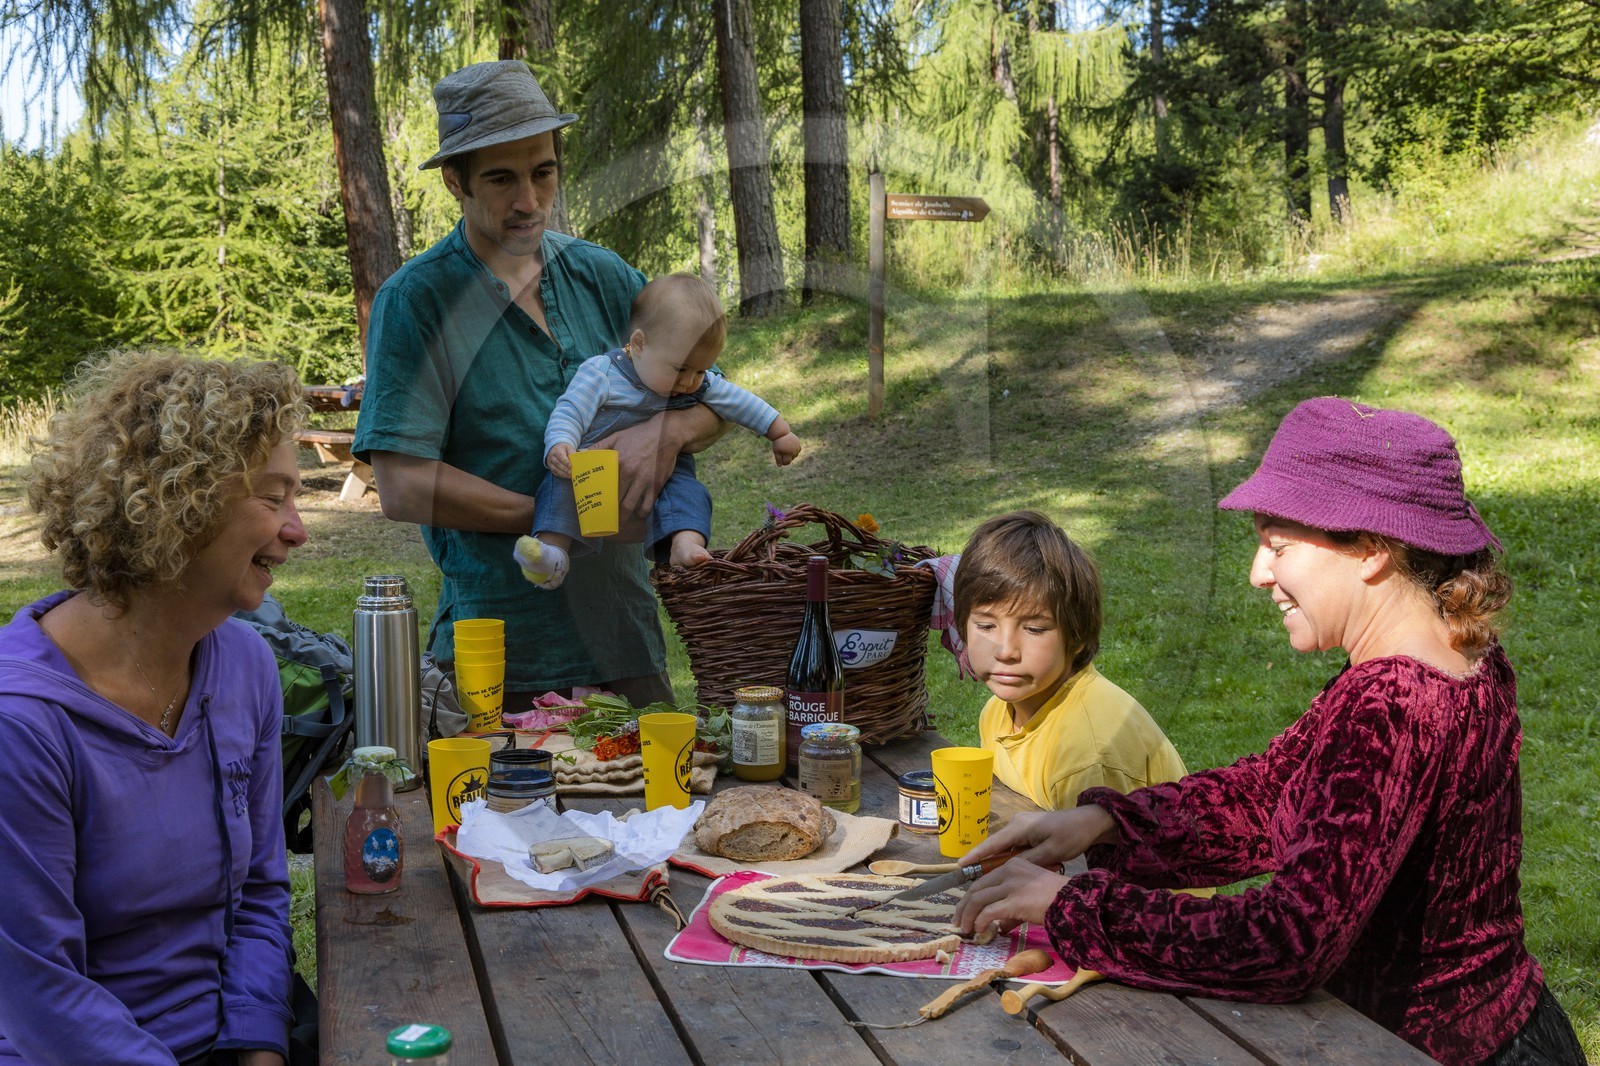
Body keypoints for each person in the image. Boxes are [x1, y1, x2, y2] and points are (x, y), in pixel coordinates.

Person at [954, 398, 1585, 1066]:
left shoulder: (1397, 702)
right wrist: (1106, 824)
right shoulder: (1445, 656)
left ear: (1371, 549)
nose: (1259, 573)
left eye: (1278, 546)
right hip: (1509, 1033)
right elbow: (1275, 794)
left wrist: (1071, 908)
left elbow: (1288, 939)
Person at [353, 60, 724, 710]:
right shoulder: (416, 302)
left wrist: (665, 436)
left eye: (543, 172)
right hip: (499, 652)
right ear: (454, 180)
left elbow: (710, 394)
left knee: (663, 782)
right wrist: (562, 516)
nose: (528, 200)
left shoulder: (604, 278)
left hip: (626, 642)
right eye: (501, 178)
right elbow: (402, 485)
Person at [0, 351, 307, 1065]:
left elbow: (261, 895)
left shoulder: (245, 667)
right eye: (273, 499)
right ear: (178, 505)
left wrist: (260, 1046)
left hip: (230, 1040)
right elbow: (40, 995)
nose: (298, 530)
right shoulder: (22, 725)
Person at [514, 273, 800, 587]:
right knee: (558, 485)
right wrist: (561, 442)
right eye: (680, 369)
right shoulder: (602, 373)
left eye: (701, 370)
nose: (689, 382)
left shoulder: (699, 382)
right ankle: (551, 553)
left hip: (666, 473)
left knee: (687, 492)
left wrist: (779, 431)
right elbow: (571, 410)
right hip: (590, 470)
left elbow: (739, 401)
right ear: (639, 344)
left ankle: (685, 544)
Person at [954, 511, 1188, 810]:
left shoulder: (1088, 755)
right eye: (986, 626)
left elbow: (1108, 843)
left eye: (1034, 629)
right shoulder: (997, 713)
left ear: (1076, 637)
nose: (1006, 651)